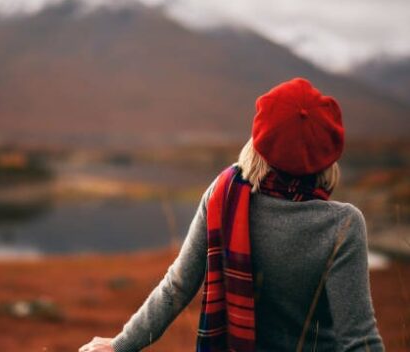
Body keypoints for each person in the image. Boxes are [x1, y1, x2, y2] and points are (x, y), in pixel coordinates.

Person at [79, 78, 385, 352]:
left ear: (259, 140)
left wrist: (119, 346)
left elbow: (178, 286)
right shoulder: (344, 224)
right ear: (327, 154)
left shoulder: (224, 195)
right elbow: (359, 341)